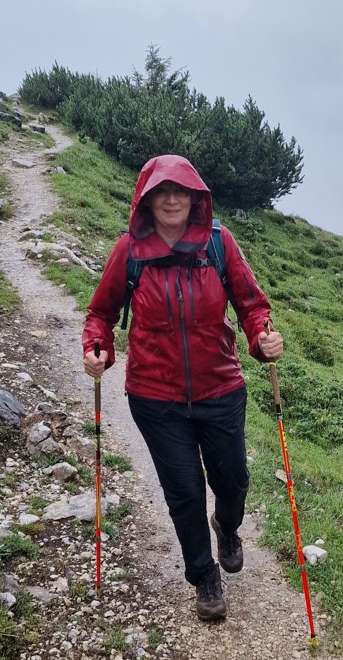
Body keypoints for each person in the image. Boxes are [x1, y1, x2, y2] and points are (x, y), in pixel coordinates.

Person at [82, 154, 283, 622]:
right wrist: (97, 348)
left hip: (221, 388)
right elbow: (101, 314)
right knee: (185, 491)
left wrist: (263, 337)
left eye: (181, 191)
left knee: (232, 481)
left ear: (196, 198)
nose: (171, 199)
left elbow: (252, 304)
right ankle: (203, 575)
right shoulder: (129, 252)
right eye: (161, 192)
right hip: (155, 397)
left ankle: (227, 527)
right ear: (146, 200)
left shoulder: (219, 244)